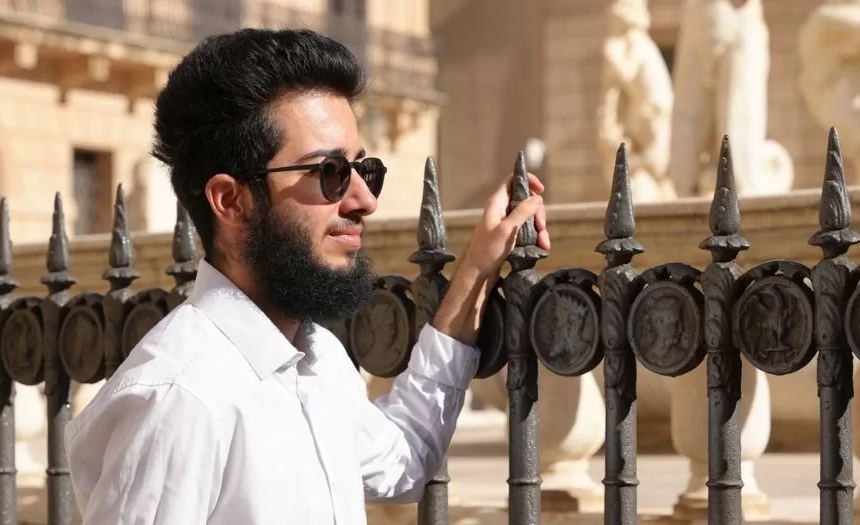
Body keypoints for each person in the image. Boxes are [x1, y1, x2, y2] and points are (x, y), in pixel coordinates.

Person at [64, 27, 549, 525]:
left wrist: (476, 270)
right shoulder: (179, 399)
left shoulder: (316, 359)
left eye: (366, 170)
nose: (365, 200)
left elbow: (402, 462)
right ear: (232, 200)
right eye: (330, 173)